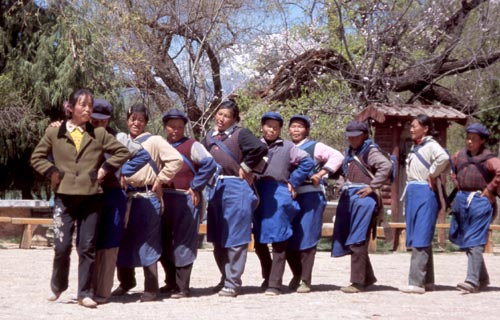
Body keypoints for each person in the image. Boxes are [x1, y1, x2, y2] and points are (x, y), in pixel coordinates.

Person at [30, 89, 130, 308]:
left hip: (92, 198)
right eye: (82, 105)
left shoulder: (100, 134)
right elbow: (36, 157)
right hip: (63, 198)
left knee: (86, 247)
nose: (87, 109)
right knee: (61, 245)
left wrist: (104, 169)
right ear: (70, 108)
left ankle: (84, 292)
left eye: (90, 105)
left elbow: (123, 152)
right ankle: (57, 286)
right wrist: (52, 172)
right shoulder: (54, 132)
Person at [112, 104, 183, 302]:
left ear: (146, 122)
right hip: (126, 198)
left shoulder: (155, 141)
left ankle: (151, 288)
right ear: (127, 119)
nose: (136, 122)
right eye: (133, 118)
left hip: (147, 198)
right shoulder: (122, 140)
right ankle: (126, 282)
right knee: (123, 240)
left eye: (141, 119)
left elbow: (176, 160)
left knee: (148, 242)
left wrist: (160, 179)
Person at [202, 99, 268, 297]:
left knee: (236, 236)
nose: (222, 119)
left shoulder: (241, 133)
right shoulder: (209, 137)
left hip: (236, 187)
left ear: (234, 119)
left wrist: (246, 167)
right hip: (215, 187)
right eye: (220, 114)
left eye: (227, 116)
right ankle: (224, 277)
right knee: (217, 236)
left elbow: (260, 149)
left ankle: (233, 282)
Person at [252, 112, 314, 296]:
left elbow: (307, 162)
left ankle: (275, 284)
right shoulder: (254, 145)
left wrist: (293, 181)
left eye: (276, 127)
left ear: (280, 130)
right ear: (262, 127)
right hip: (256, 192)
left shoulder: (288, 147)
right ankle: (268, 276)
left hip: (279, 192)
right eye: (268, 126)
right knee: (258, 240)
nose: (271, 129)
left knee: (279, 239)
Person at [159, 109, 218, 298]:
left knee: (183, 241)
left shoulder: (192, 145)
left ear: (184, 128)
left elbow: (210, 163)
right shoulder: (160, 145)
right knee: (164, 241)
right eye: (171, 126)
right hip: (163, 199)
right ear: (165, 127)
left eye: (179, 127)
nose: (175, 130)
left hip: (185, 198)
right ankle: (170, 282)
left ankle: (183, 287)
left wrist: (196, 186)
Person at [331, 120, 392, 293]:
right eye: (350, 137)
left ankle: (357, 282)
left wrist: (372, 186)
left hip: (364, 199)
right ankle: (368, 277)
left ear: (364, 135)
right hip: (349, 197)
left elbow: (385, 166)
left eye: (356, 137)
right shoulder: (350, 152)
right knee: (350, 237)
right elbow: (345, 173)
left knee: (358, 238)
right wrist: (340, 186)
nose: (352, 140)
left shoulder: (370, 151)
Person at [285, 114, 344, 293]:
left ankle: (305, 279)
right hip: (289, 196)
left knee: (308, 238)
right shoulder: (285, 147)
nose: (296, 130)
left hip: (311, 195)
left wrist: (321, 174)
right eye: (293, 126)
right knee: (287, 237)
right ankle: (296, 274)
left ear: (307, 130)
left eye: (300, 127)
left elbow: (337, 156)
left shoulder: (315, 146)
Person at [400, 114, 450, 294]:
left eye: (414, 126)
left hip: (425, 191)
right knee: (420, 234)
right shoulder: (416, 147)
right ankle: (428, 281)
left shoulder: (431, 145)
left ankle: (416, 282)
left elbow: (444, 158)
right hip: (413, 191)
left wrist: (432, 173)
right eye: (411, 126)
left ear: (426, 128)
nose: (411, 129)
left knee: (422, 233)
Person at [449, 123, 500, 294]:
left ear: (482, 141)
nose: (470, 142)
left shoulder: (489, 158)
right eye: (468, 138)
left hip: (480, 200)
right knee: (464, 238)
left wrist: (491, 189)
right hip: (462, 199)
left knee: (474, 238)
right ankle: (482, 277)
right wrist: (456, 182)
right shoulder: (459, 155)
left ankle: (472, 280)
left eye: (474, 139)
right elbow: (452, 167)